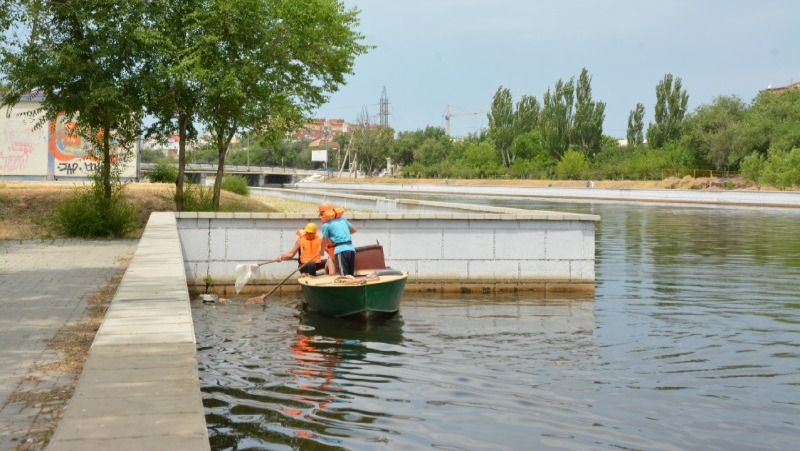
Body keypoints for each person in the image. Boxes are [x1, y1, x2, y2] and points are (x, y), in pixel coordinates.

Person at [318, 204, 357, 276]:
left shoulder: (326, 225)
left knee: (344, 276)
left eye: (320, 214)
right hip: (351, 249)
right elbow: (354, 230)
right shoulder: (343, 219)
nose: (320, 216)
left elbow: (324, 241)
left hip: (341, 250)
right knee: (351, 275)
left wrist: (322, 252)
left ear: (323, 213)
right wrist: (341, 236)